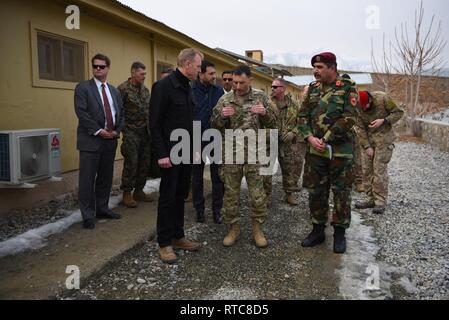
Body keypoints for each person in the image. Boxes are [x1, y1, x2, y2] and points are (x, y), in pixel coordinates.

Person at [297, 52, 358, 254]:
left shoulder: (348, 87)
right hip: (316, 151)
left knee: (341, 192)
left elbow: (350, 117)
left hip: (340, 151)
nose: (315, 71)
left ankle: (340, 233)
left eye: (320, 67)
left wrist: (327, 136)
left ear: (332, 67)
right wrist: (309, 137)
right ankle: (317, 230)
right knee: (316, 191)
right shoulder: (312, 89)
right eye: (314, 67)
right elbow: (302, 115)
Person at [211, 65, 277, 248]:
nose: (237, 86)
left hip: (255, 152)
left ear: (250, 80)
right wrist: (221, 117)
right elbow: (214, 125)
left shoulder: (260, 97)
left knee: (257, 194)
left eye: (241, 82)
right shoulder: (225, 99)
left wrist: (264, 113)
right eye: (234, 82)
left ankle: (257, 230)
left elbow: (273, 122)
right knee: (231, 193)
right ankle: (233, 229)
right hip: (232, 153)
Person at [149, 48, 203, 264]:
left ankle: (178, 236)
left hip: (186, 152)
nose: (199, 70)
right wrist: (161, 154)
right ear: (188, 64)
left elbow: (190, 121)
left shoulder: (187, 87)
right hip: (170, 155)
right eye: (198, 66)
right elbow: (154, 124)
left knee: (181, 195)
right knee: (168, 197)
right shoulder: (163, 87)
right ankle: (164, 243)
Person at [74, 53, 124, 229]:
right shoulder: (83, 88)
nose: (97, 69)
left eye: (101, 66)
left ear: (108, 68)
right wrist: (99, 131)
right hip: (90, 141)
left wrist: (116, 131)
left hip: (110, 141)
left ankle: (102, 208)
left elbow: (121, 114)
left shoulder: (114, 91)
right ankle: (87, 215)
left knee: (105, 178)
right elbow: (82, 113)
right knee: (87, 180)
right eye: (95, 66)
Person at [354, 91, 404, 214]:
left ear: (370, 101)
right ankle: (370, 198)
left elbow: (398, 112)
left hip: (384, 140)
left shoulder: (383, 98)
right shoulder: (357, 107)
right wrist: (366, 147)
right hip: (369, 142)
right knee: (366, 170)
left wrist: (384, 120)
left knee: (379, 170)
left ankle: (380, 201)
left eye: (365, 106)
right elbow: (359, 129)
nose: (364, 110)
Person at [191, 60, 225, 224]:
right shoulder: (190, 90)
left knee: (217, 177)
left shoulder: (219, 91)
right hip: (195, 139)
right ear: (201, 73)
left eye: (214, 73)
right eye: (211, 74)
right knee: (196, 177)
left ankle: (217, 211)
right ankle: (199, 211)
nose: (214, 76)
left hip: (215, 138)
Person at [118, 62, 153, 208]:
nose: (144, 76)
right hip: (131, 132)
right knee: (131, 162)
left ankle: (139, 190)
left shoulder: (145, 90)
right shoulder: (122, 89)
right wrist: (123, 129)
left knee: (144, 162)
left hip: (145, 132)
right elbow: (117, 111)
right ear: (133, 73)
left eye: (145, 74)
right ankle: (127, 193)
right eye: (141, 74)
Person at [269, 77, 306, 205]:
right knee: (267, 170)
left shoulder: (294, 104)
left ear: (283, 88)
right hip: (270, 142)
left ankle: (289, 194)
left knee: (288, 169)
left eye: (275, 87)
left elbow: (301, 122)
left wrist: (293, 133)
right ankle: (266, 196)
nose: (272, 89)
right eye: (272, 86)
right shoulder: (267, 103)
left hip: (287, 143)